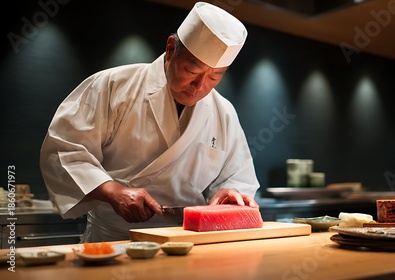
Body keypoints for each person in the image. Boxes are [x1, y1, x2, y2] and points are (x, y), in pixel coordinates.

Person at [39, 2, 260, 242]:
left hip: (188, 241)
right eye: (192, 70)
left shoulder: (223, 111)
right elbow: (65, 149)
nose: (200, 87)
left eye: (214, 76)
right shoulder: (113, 86)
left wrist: (229, 193)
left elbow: (236, 176)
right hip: (115, 240)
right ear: (170, 49)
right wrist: (113, 191)